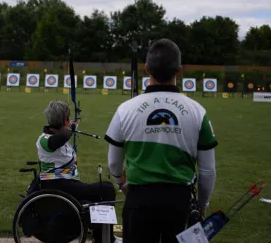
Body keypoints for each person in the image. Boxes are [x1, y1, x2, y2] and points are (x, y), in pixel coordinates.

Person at [105, 38, 217, 243]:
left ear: (146, 69)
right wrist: (202, 205)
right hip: (180, 202)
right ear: (180, 71)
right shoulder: (198, 111)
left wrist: (121, 184)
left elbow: (114, 162)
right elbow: (207, 171)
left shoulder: (125, 110)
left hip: (138, 199)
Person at [36, 100, 116, 243]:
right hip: (58, 186)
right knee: (107, 189)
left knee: (94, 198)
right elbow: (56, 141)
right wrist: (70, 129)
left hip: (66, 185)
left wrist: (69, 128)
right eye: (68, 118)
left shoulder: (59, 137)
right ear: (65, 120)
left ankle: (101, 235)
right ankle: (105, 239)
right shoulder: (44, 139)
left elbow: (61, 141)